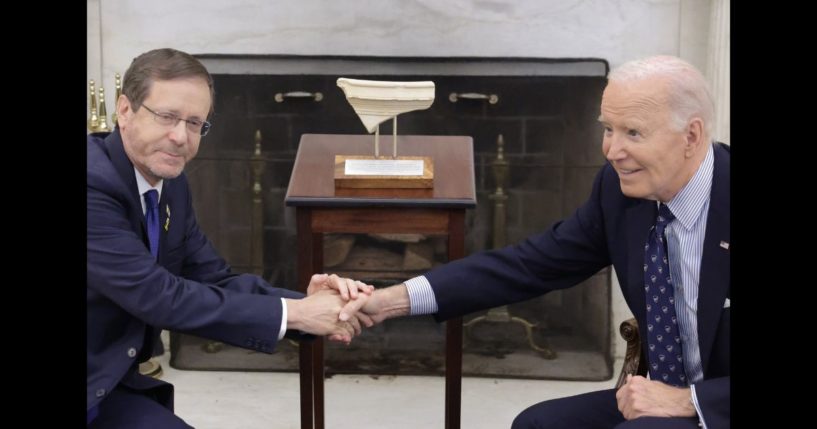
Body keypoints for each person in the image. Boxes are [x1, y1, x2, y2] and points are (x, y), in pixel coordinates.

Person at [352, 55, 729, 428]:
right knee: (535, 424)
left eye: (633, 132)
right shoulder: (619, 192)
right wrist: (390, 301)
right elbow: (529, 265)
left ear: (691, 136)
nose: (613, 151)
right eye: (608, 129)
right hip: (658, 400)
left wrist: (689, 401)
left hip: (715, 405)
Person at [87, 48, 373, 428]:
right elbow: (157, 295)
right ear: (125, 110)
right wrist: (299, 313)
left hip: (105, 387)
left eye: (195, 123)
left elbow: (214, 278)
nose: (180, 137)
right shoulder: (92, 185)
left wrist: (312, 305)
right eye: (167, 117)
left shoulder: (169, 185)